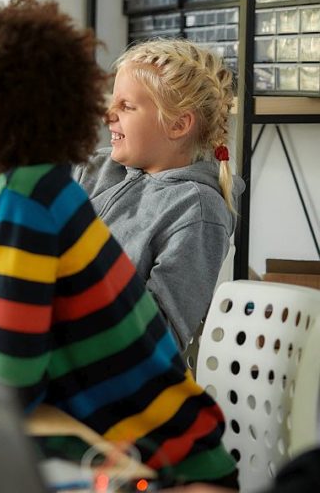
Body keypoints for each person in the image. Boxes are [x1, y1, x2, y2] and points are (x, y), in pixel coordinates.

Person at [0, 0, 237, 486]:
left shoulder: (29, 204)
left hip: (162, 462)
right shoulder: (13, 197)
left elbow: (11, 388)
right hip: (89, 431)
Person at [75, 40, 244, 351]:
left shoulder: (197, 209)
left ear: (178, 124)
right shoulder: (93, 168)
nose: (108, 115)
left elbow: (161, 338)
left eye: (126, 106)